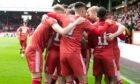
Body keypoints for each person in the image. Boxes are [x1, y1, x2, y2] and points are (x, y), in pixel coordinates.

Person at [47, 2, 112, 84]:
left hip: (63, 54)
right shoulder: (84, 21)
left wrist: (44, 16)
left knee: (69, 80)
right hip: (74, 54)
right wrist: (107, 23)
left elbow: (50, 14)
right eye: (85, 12)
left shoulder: (64, 17)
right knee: (83, 80)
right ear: (82, 11)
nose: (86, 14)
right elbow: (99, 32)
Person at [25, 16, 85, 84]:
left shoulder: (49, 20)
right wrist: (76, 22)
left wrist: (47, 52)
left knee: (44, 78)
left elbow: (50, 42)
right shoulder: (54, 22)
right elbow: (62, 32)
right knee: (60, 77)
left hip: (49, 51)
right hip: (59, 52)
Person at [87, 7, 125, 84]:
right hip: (109, 54)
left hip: (98, 53)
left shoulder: (93, 26)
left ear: (96, 14)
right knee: (113, 78)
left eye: (89, 13)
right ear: (106, 14)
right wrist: (114, 35)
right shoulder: (113, 24)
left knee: (97, 79)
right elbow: (123, 36)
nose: (88, 15)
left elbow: (90, 43)